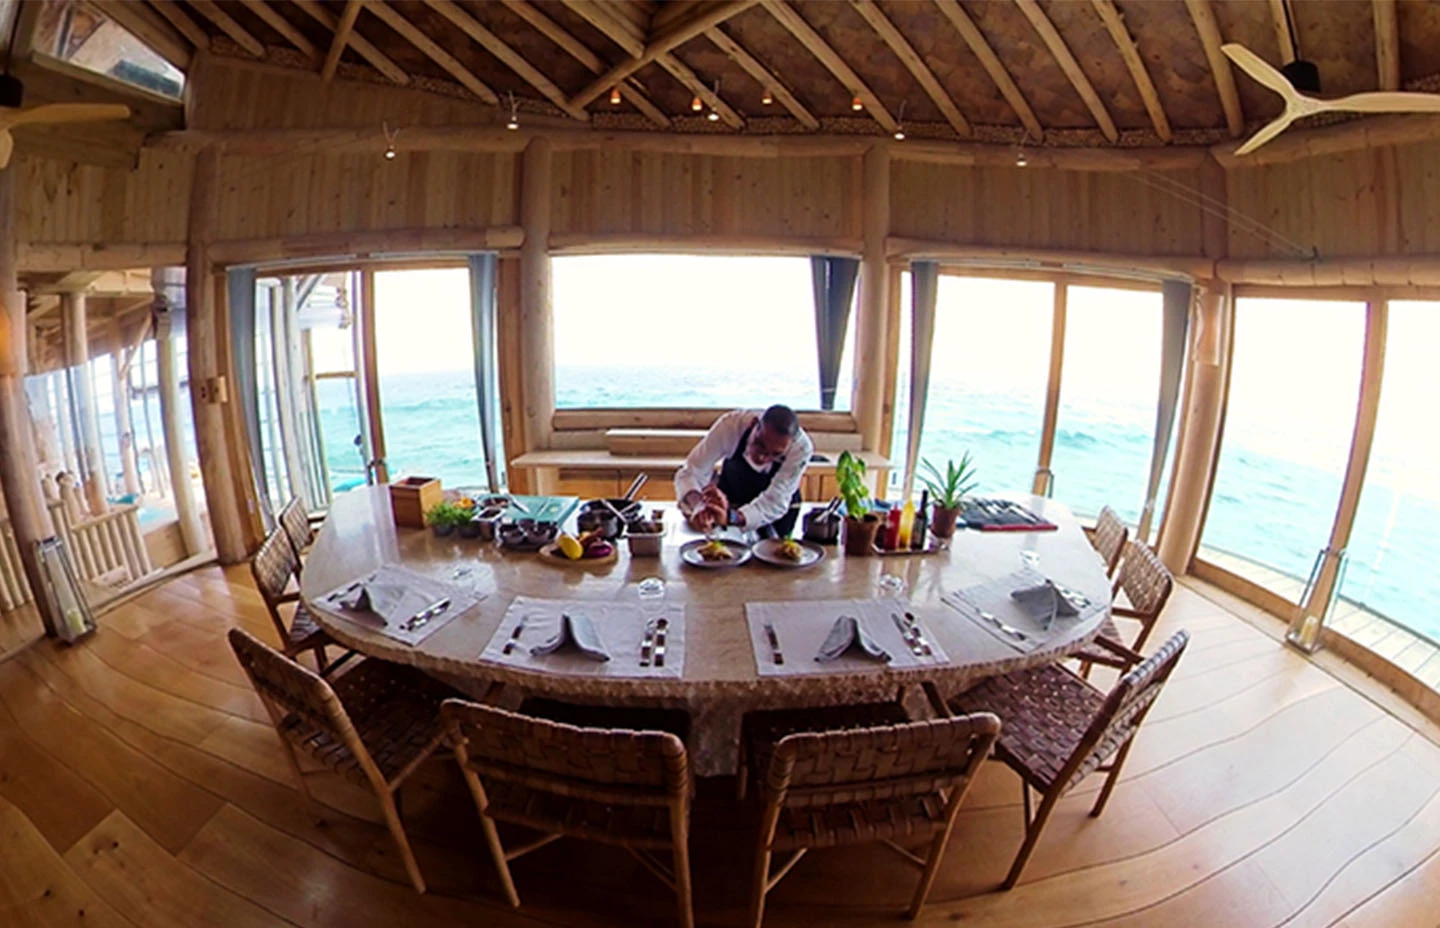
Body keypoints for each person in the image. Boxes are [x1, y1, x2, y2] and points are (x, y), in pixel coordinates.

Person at [675, 405, 813, 538]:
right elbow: (692, 472)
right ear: (753, 424)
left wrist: (731, 517)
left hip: (776, 512)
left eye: (775, 454)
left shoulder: (801, 449)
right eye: (759, 444)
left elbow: (775, 500)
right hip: (731, 498)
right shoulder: (730, 426)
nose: (761, 457)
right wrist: (699, 506)